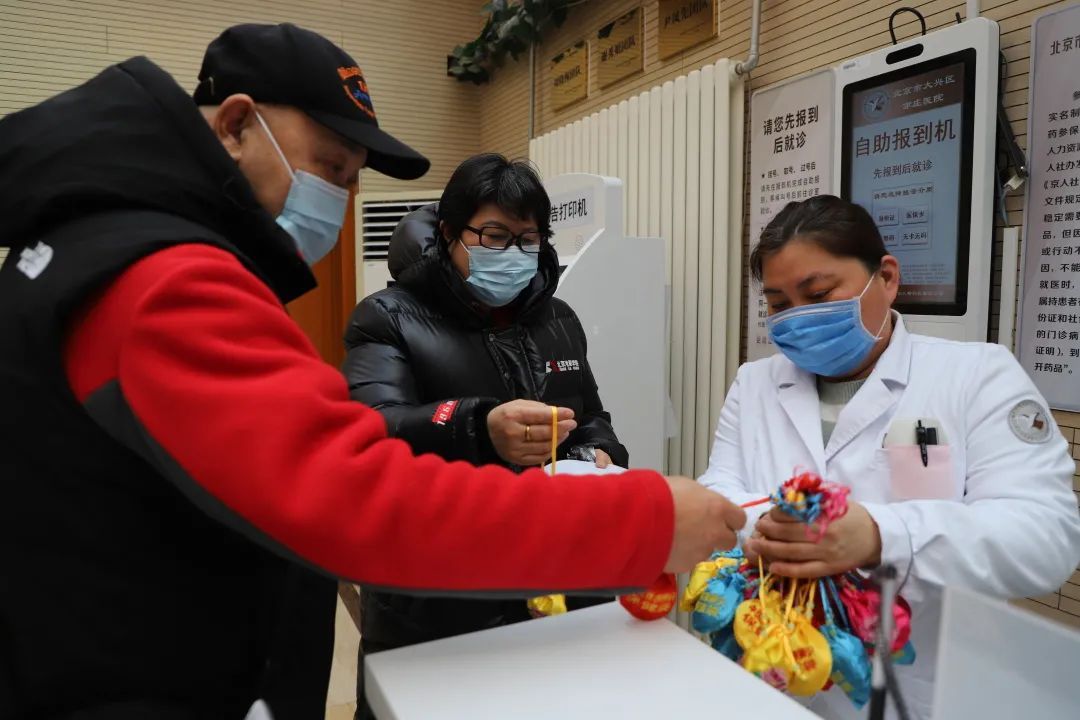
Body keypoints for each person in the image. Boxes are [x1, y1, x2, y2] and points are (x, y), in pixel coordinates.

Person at [0, 24, 746, 720]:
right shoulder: (169, 279)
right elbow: (357, 491)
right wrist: (640, 519)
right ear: (233, 125)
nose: (341, 196)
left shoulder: (101, 245)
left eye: (354, 178)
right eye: (331, 165)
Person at [698, 195, 1080, 720]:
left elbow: (1045, 538)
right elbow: (720, 492)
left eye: (820, 293)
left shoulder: (976, 377)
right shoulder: (756, 383)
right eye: (780, 304)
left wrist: (879, 536)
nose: (800, 318)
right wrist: (781, 529)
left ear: (888, 278)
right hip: (776, 677)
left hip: (918, 689)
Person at [343, 154, 627, 715]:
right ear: (450, 232)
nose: (515, 255)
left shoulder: (558, 318)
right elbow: (372, 429)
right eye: (495, 236)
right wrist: (476, 426)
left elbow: (591, 416)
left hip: (553, 579)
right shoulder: (387, 317)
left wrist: (596, 453)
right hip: (437, 595)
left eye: (530, 238)